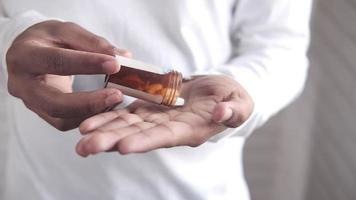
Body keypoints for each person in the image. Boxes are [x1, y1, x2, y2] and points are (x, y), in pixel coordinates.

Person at [0, 0, 312, 199]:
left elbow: (280, 47)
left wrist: (237, 90)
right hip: (38, 184)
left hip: (193, 187)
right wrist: (11, 42)